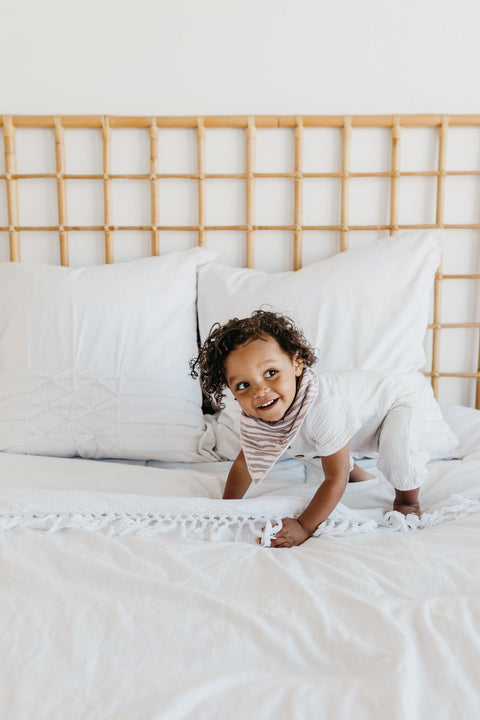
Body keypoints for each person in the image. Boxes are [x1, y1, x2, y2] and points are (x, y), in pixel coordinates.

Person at [191, 310, 428, 548]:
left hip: (394, 404)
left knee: (399, 451)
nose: (260, 391)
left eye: (271, 373)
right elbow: (245, 464)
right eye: (244, 385)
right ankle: (358, 474)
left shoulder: (322, 406)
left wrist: (304, 525)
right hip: (353, 421)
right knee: (305, 445)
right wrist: (226, 508)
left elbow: (336, 478)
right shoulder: (259, 417)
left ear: (296, 364)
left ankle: (408, 501)